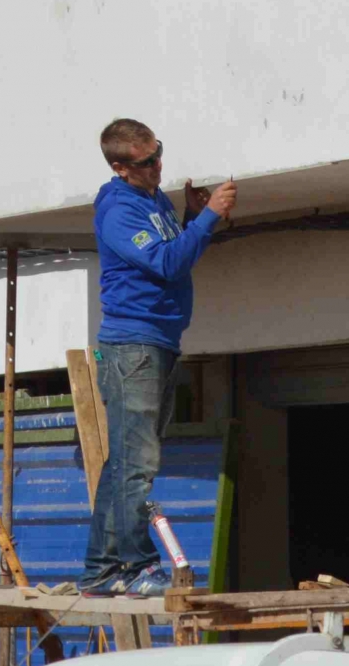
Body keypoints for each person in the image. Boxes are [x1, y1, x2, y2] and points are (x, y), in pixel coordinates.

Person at [78, 118, 236, 598]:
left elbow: (173, 255)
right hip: (134, 348)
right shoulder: (119, 210)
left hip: (158, 344)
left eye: (159, 154)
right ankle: (136, 564)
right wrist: (211, 218)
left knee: (126, 460)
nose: (158, 167)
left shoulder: (152, 200)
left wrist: (192, 220)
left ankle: (104, 569)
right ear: (121, 167)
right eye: (147, 162)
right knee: (137, 464)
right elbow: (167, 262)